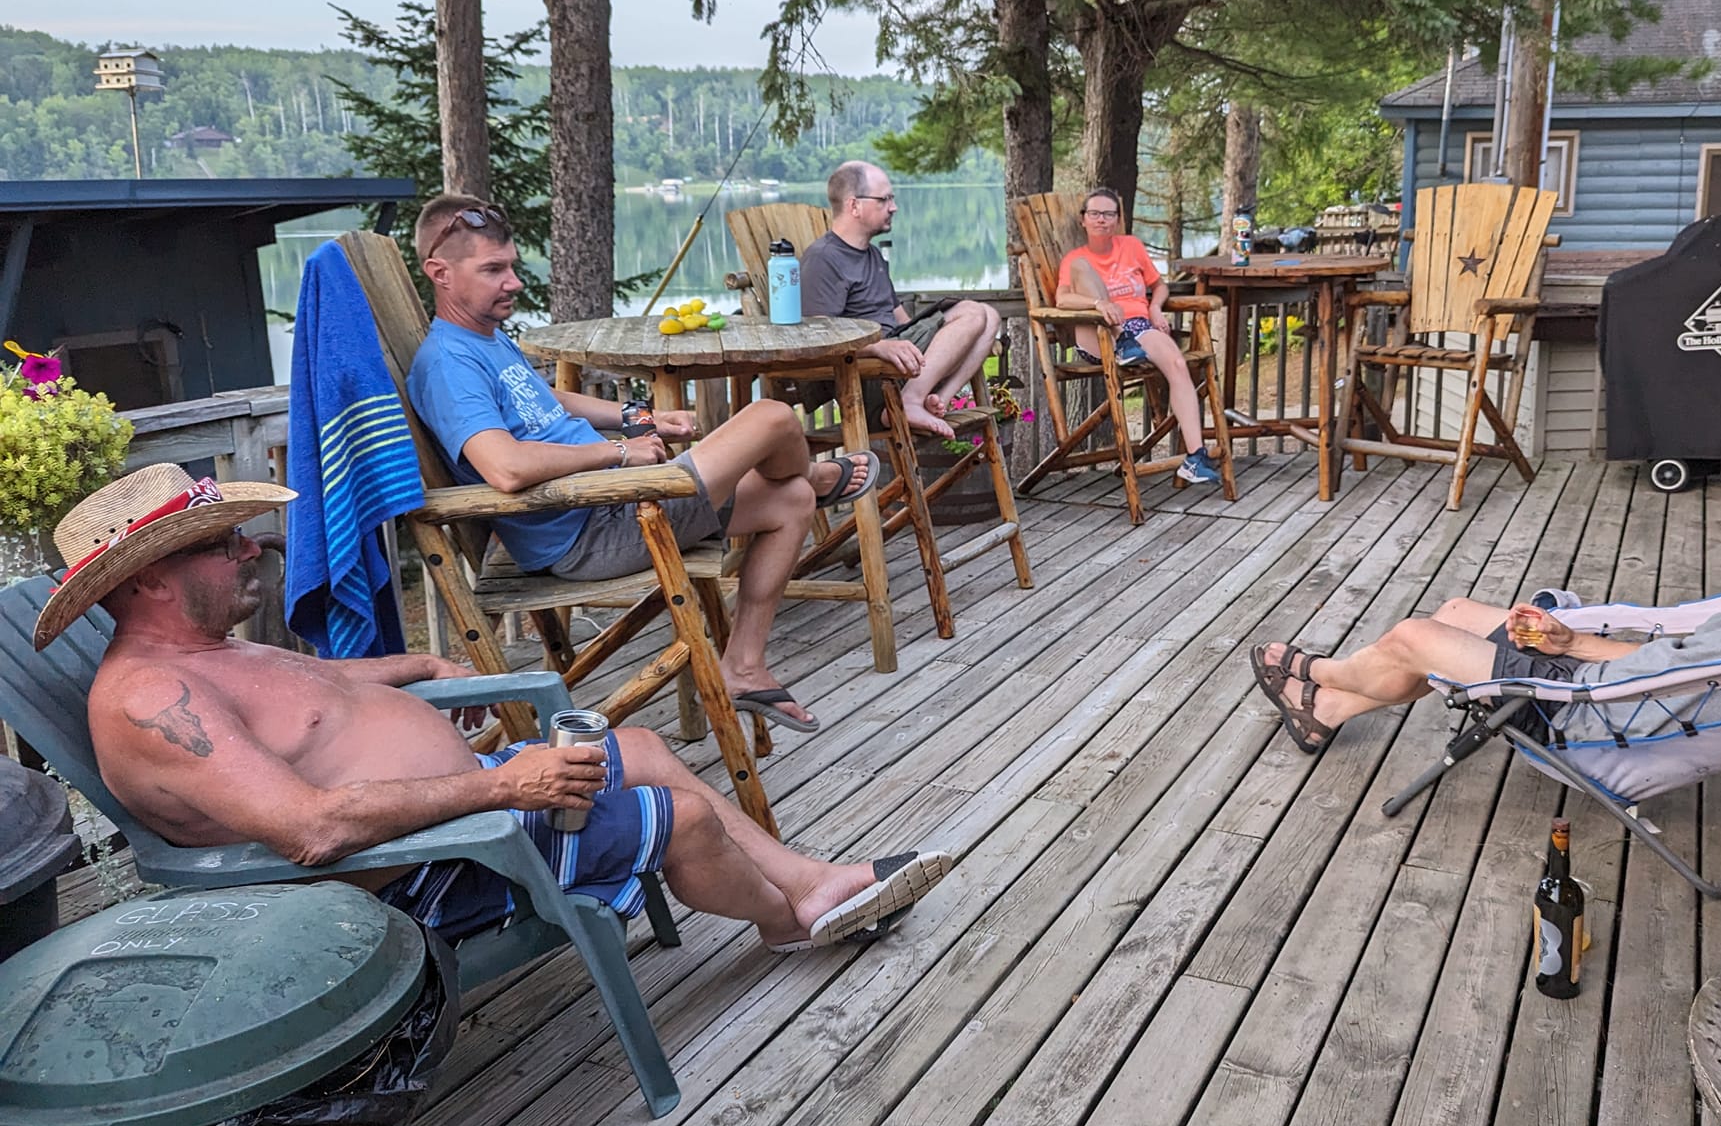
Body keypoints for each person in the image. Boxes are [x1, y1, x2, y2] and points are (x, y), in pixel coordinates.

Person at [34, 464, 950, 952]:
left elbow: (320, 693)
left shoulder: (205, 648)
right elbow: (311, 830)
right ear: (149, 579)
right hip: (419, 872)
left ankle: (810, 882)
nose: (252, 549)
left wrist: (419, 668)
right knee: (685, 818)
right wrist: (504, 787)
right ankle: (786, 921)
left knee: (636, 746)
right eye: (222, 543)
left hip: (457, 815)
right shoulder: (152, 698)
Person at [405, 195, 872, 733]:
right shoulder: (448, 364)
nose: (513, 282)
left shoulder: (483, 339)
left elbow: (543, 400)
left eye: (512, 265)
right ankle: (814, 471)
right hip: (592, 527)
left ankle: (743, 667)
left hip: (618, 500)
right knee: (772, 418)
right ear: (440, 273)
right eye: (493, 270)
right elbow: (505, 467)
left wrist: (636, 417)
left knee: (791, 500)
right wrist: (620, 451)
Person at [1252, 489, 1721, 753]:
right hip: (1616, 680)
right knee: (1453, 613)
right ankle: (1329, 709)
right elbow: (1676, 662)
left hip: (1589, 712)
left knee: (1413, 637)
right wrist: (1573, 639)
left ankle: (1319, 675)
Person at [801, 161, 1002, 439]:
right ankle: (910, 402)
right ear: (854, 206)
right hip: (867, 378)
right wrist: (878, 347)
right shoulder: (824, 258)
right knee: (972, 313)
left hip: (899, 365)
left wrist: (933, 340)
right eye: (884, 199)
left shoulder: (871, 255)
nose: (893, 207)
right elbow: (817, 337)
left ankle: (935, 401)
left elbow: (900, 318)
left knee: (989, 316)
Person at [1054, 187, 1222, 486]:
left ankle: (1195, 458)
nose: (1101, 220)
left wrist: (1156, 307)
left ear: (1118, 220)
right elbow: (1063, 299)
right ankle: (1123, 342)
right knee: (1089, 278)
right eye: (1095, 213)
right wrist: (1100, 304)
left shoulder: (1131, 246)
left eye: (1109, 214)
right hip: (1097, 333)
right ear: (1083, 219)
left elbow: (1159, 285)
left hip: (1139, 327)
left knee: (1177, 364)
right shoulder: (1075, 260)